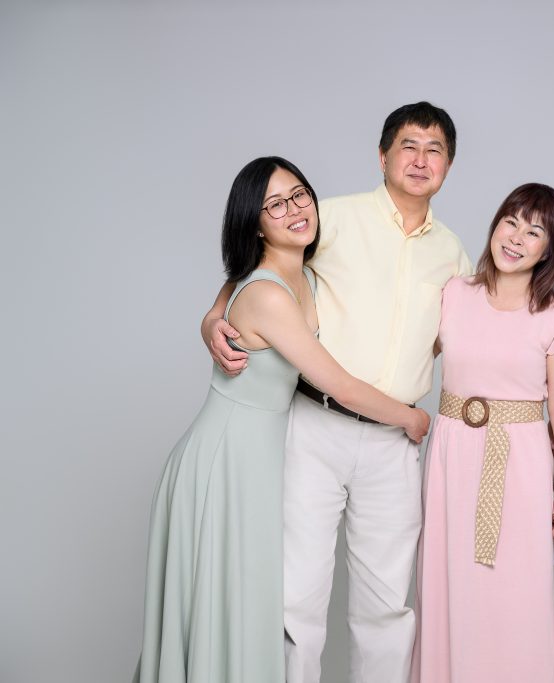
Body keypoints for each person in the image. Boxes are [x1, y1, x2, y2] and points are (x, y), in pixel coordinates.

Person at [201, 104, 473, 683]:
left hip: (393, 442)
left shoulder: (453, 253)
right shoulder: (332, 218)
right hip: (315, 427)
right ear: (382, 156)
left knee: (387, 605)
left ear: (449, 165)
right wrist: (211, 317)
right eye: (408, 145)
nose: (420, 159)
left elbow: (457, 338)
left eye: (435, 150)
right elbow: (260, 267)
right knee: (295, 596)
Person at [134, 157, 430, 683]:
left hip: (263, 456)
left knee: (250, 602)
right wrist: (410, 418)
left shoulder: (307, 273)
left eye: (299, 195)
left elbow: (228, 293)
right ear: (254, 223)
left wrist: (212, 317)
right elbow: (339, 384)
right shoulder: (269, 293)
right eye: (274, 204)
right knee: (239, 599)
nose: (294, 209)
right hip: (225, 460)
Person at [412, 183, 554, 683]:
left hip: (519, 465)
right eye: (511, 222)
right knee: (449, 584)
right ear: (495, 225)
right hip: (451, 457)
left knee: (516, 593)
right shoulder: (454, 294)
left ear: (549, 250)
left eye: (534, 232)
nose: (516, 238)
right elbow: (404, 355)